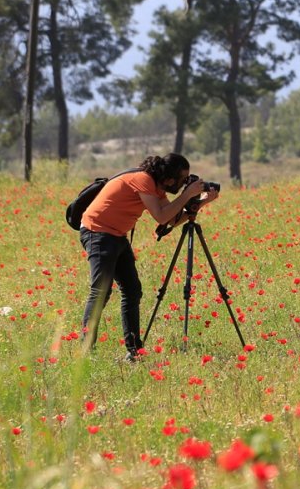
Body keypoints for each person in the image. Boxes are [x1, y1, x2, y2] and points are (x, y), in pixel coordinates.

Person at [79, 153, 219, 361]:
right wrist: (187, 195)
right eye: (183, 179)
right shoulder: (143, 180)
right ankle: (85, 354)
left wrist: (200, 202)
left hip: (116, 235)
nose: (183, 184)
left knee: (132, 291)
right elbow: (161, 216)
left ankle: (134, 352)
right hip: (97, 232)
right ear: (169, 177)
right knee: (101, 291)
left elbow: (171, 219)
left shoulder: (157, 187)